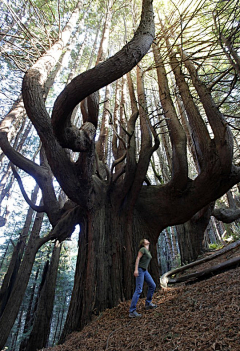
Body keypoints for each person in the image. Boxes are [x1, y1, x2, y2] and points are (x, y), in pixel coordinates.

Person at [129, 238, 157, 318]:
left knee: (153, 285)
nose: (147, 240)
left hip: (145, 271)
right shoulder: (142, 249)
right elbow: (138, 258)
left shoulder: (147, 250)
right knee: (139, 290)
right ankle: (132, 311)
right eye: (145, 239)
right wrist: (136, 270)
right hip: (140, 270)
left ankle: (148, 303)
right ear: (143, 243)